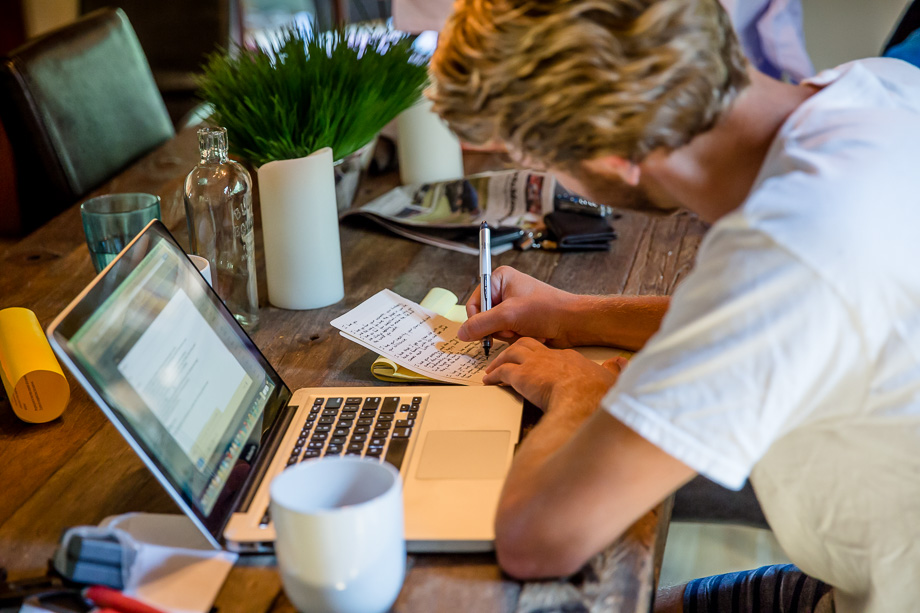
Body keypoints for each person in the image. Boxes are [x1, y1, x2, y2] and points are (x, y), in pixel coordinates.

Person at [427, 0, 920, 611]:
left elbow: (540, 539)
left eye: (548, 163)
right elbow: (776, 317)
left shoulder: (787, 247)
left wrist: (580, 393)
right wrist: (574, 314)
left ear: (612, 156)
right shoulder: (879, 90)